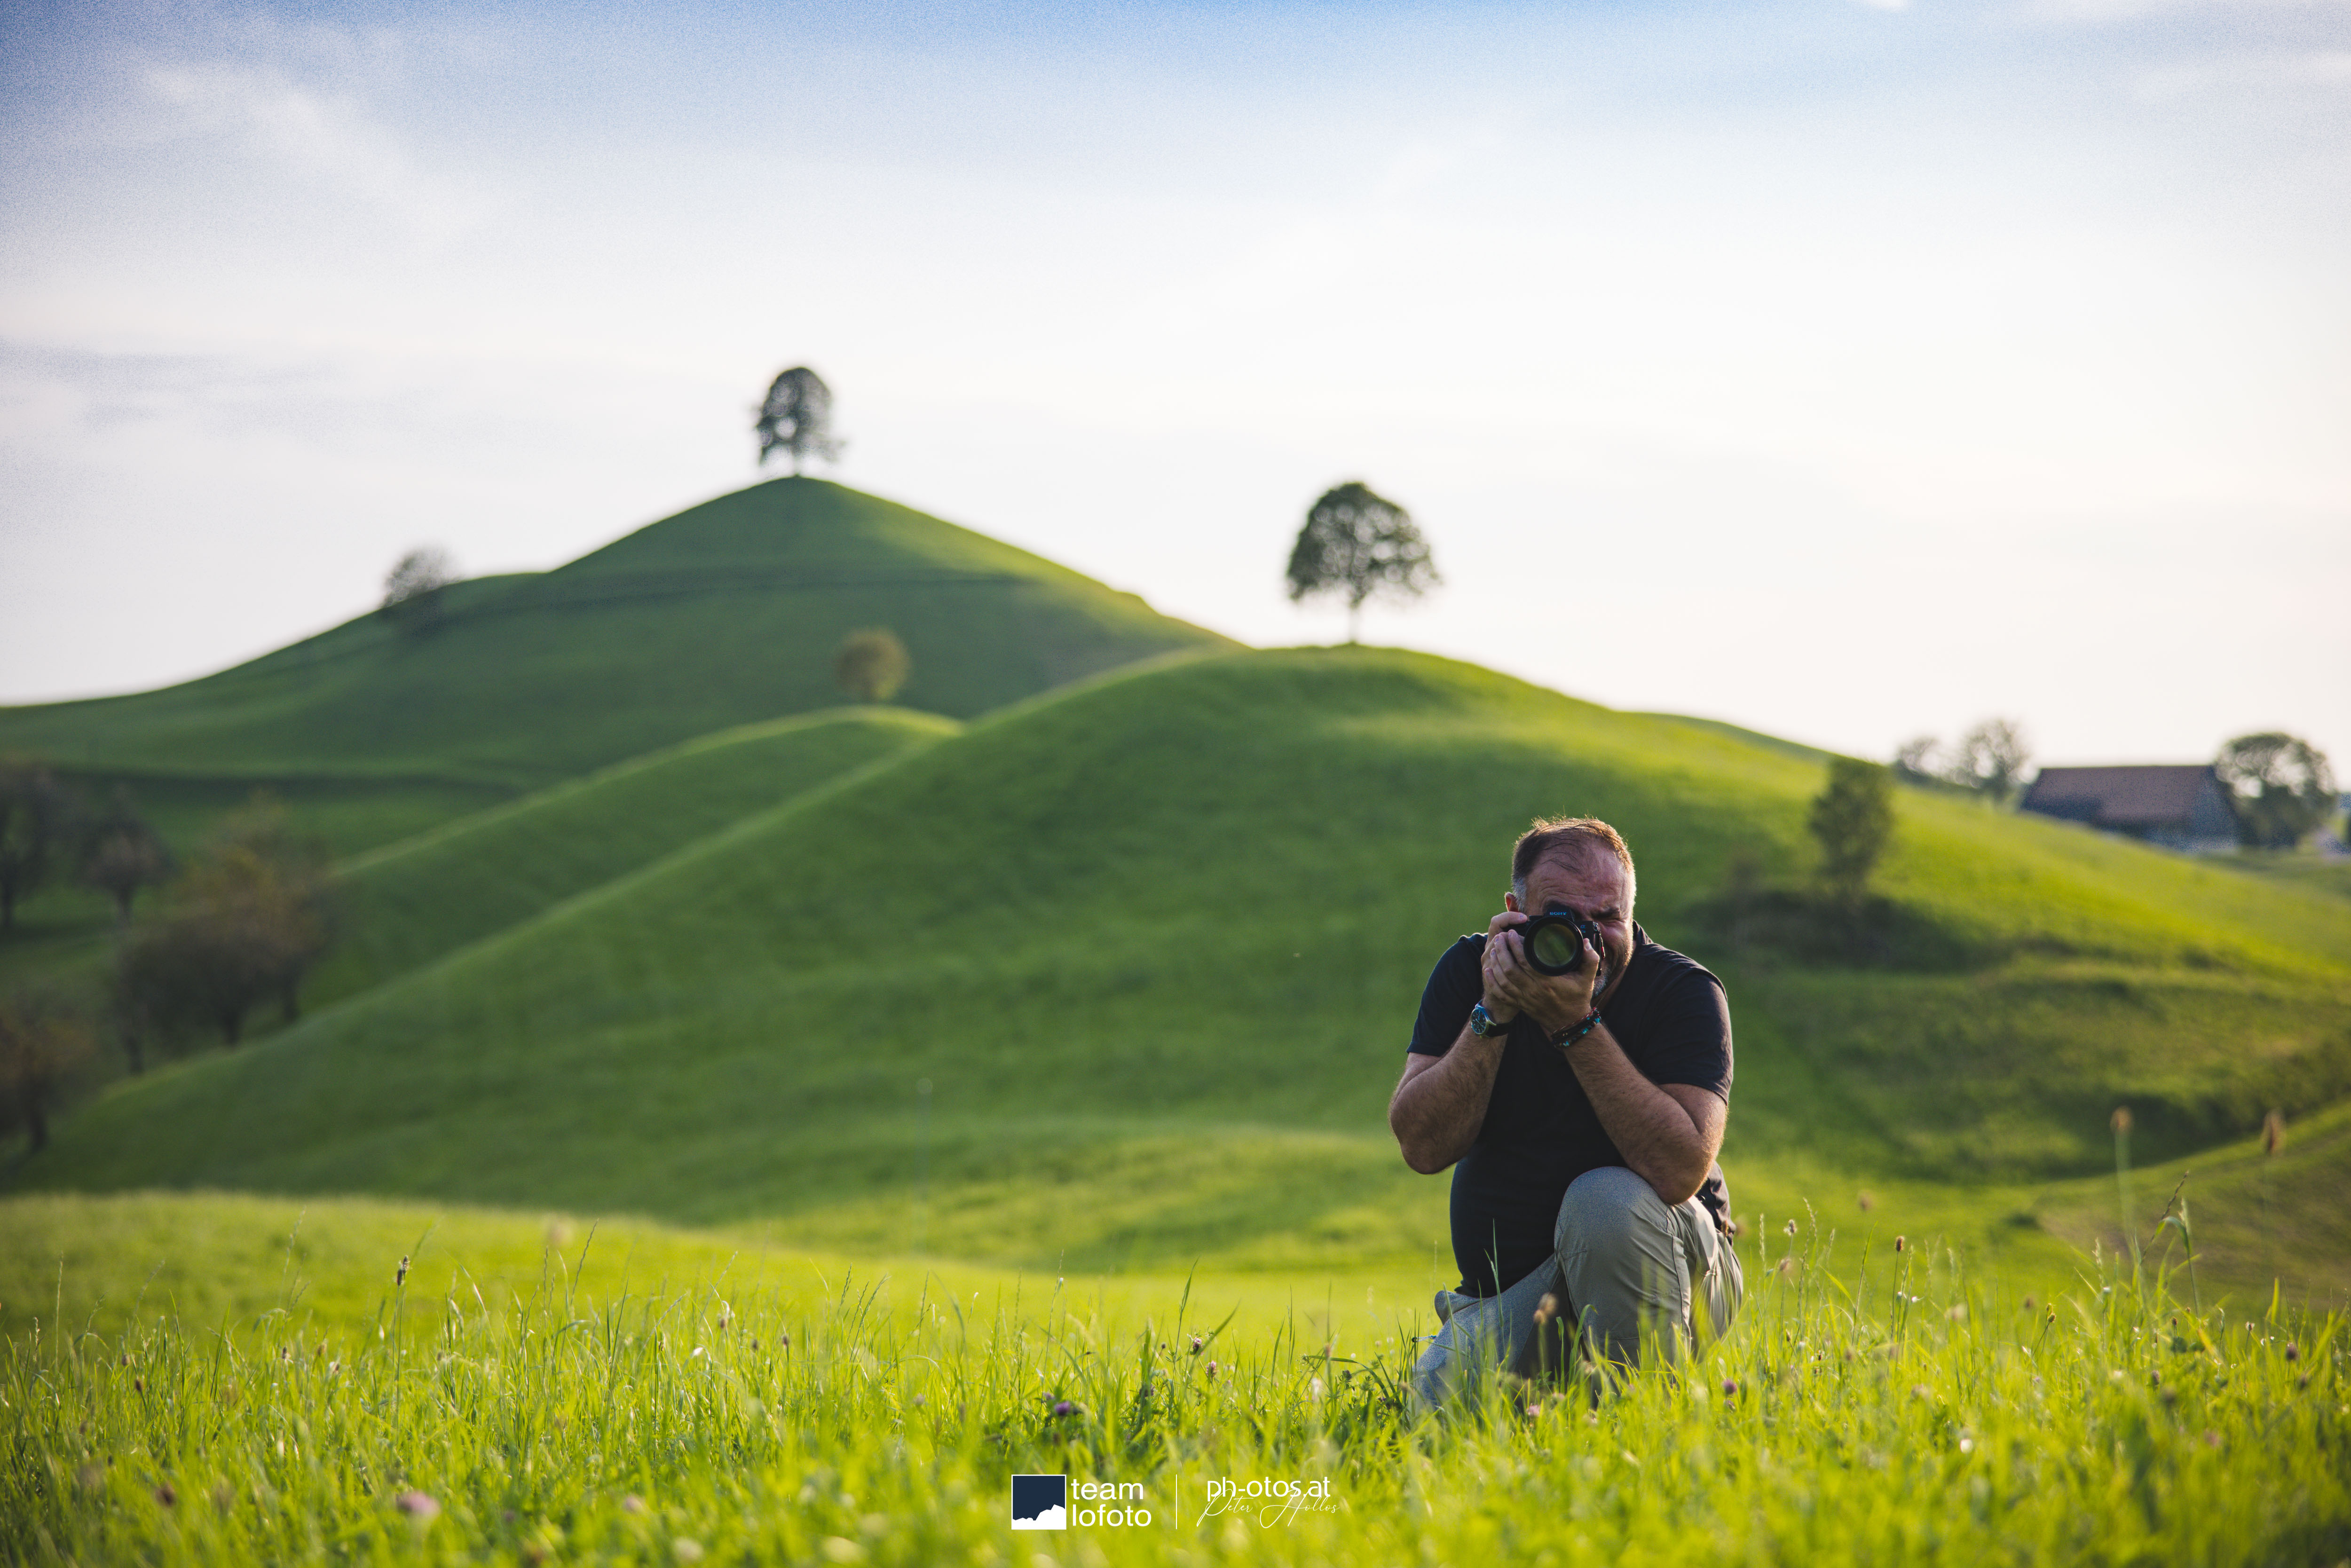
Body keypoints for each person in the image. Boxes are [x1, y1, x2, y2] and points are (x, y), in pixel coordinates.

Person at [1388, 817, 1741, 1408]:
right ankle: (1560, 1393)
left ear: (1631, 913)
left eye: (1606, 917)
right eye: (1562, 916)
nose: (1587, 938)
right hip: (1515, 1293)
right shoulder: (1471, 972)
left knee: (1602, 1202)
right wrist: (1492, 1012)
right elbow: (1421, 1147)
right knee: (1431, 1413)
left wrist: (1575, 1026)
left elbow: (1680, 1170)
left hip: (1676, 1266)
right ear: (1514, 909)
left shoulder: (1681, 991)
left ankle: (1644, 1425)